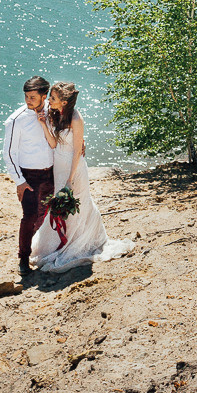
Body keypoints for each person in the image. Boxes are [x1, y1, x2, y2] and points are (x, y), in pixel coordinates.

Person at [29, 81, 134, 272]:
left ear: (64, 102)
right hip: (59, 165)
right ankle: (58, 242)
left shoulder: (76, 119)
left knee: (80, 203)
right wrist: (43, 124)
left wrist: (70, 179)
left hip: (74, 167)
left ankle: (78, 242)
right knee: (59, 206)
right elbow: (53, 144)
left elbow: (77, 150)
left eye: (52, 98)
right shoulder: (55, 115)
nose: (49, 101)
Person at [2, 76, 55, 275]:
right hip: (29, 177)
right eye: (26, 96)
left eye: (33, 97)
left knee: (47, 214)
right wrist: (20, 181)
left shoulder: (53, 110)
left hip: (51, 173)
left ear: (44, 96)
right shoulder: (16, 120)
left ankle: (46, 250)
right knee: (30, 217)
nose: (28, 100)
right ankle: (23, 258)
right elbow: (8, 153)